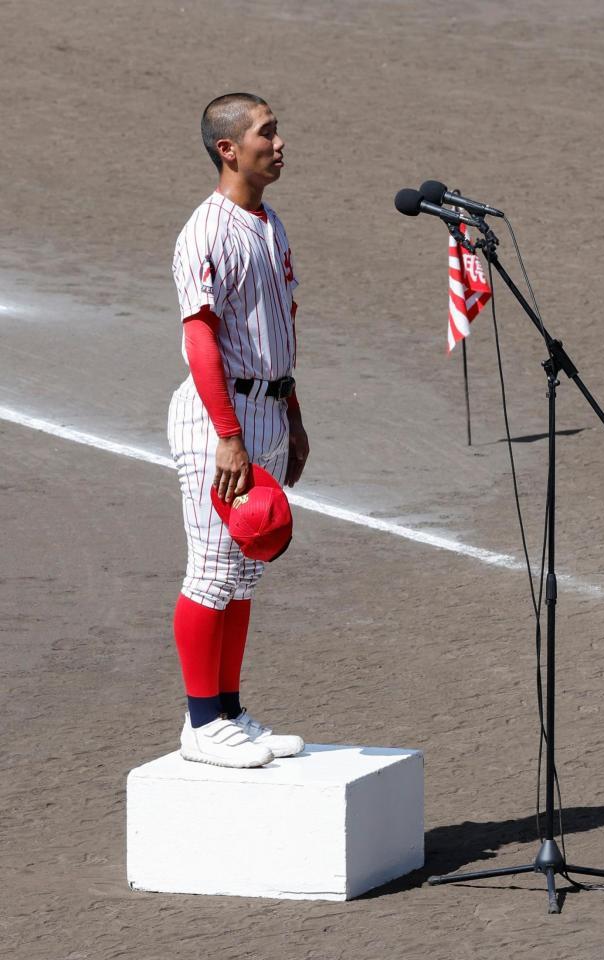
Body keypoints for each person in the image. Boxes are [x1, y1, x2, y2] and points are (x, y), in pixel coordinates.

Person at [168, 93, 310, 768]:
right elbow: (201, 335)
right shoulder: (208, 230)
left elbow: (276, 328)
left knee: (243, 573)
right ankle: (200, 724)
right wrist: (228, 434)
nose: (279, 144)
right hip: (218, 419)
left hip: (267, 412)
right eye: (267, 133)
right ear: (228, 148)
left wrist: (294, 415)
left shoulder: (269, 222)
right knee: (210, 573)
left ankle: (228, 711)